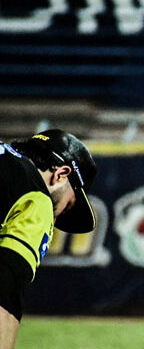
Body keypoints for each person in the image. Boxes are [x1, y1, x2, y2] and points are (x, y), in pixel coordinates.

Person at [0, 129, 97, 349]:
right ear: (61, 174)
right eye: (69, 205)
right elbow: (4, 295)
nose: (58, 216)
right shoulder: (37, 196)